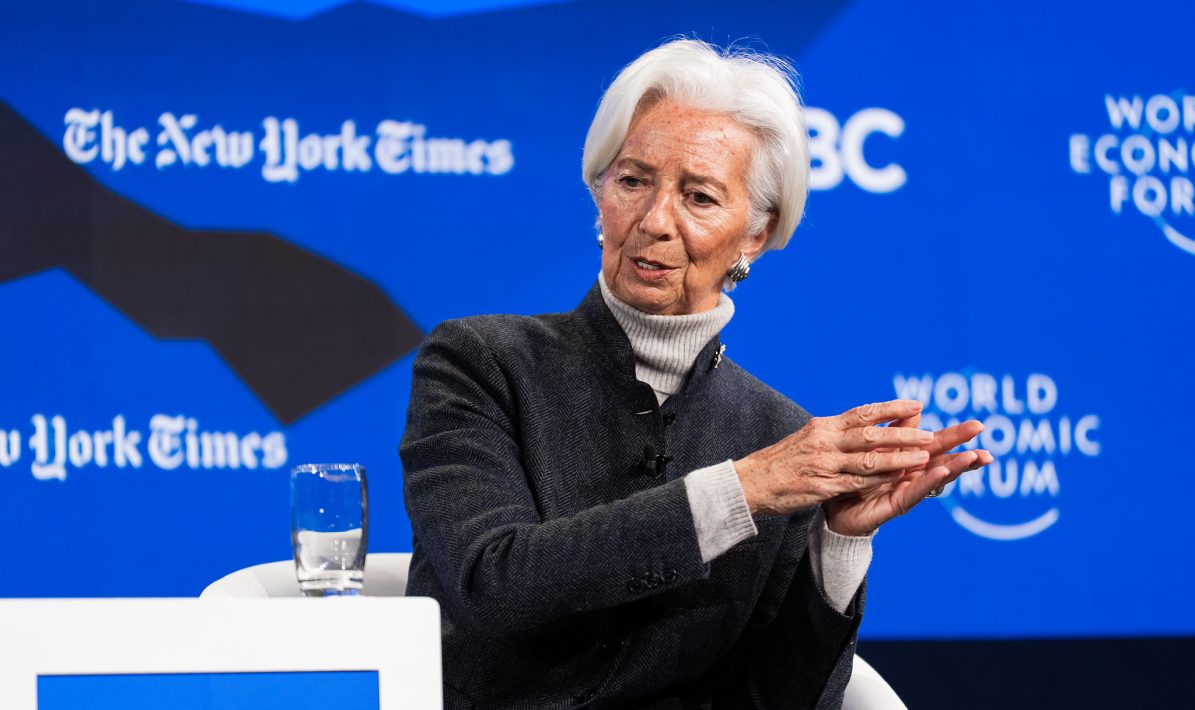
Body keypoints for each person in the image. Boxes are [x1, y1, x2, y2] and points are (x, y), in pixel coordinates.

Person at [400, 38, 992, 709]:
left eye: (699, 197)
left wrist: (838, 544)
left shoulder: (779, 435)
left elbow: (778, 701)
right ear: (599, 194)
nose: (654, 221)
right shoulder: (481, 362)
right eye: (632, 181)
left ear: (755, 234)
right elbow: (493, 582)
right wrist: (742, 490)